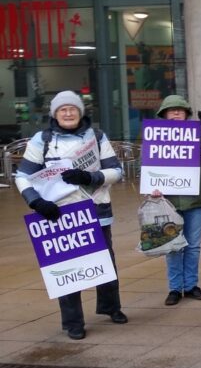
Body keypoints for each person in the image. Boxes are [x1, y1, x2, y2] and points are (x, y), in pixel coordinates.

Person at [16, 91, 126, 339]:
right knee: (67, 271)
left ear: (81, 111)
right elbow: (22, 176)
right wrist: (36, 202)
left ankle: (111, 307)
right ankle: (73, 322)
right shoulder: (41, 139)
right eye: (62, 109)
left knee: (105, 263)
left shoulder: (97, 136)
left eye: (72, 109)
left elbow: (116, 171)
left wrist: (90, 177)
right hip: (60, 215)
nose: (68, 113)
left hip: (96, 211)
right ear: (54, 113)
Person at [151, 95, 201, 306]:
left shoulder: (196, 135)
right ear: (164, 114)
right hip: (168, 201)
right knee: (173, 246)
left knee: (193, 245)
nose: (176, 113)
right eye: (172, 110)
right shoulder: (156, 138)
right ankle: (175, 288)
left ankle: (191, 286)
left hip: (196, 199)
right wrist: (152, 187)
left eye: (180, 110)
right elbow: (149, 167)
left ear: (186, 114)